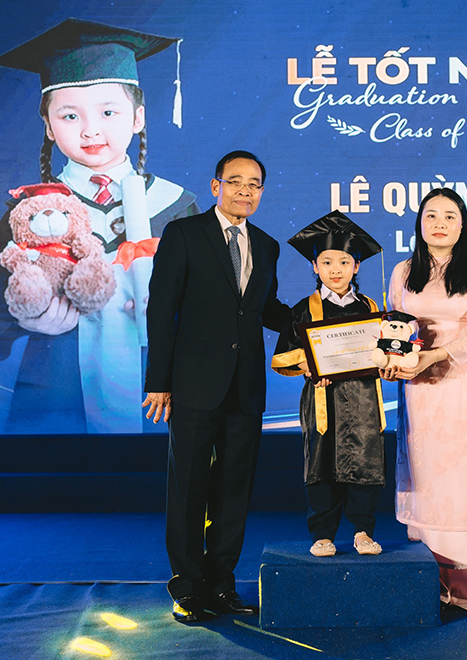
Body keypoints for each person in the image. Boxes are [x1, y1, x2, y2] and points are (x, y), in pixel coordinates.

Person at [0, 19, 200, 433]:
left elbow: (208, 292)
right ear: (48, 126)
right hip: (57, 379)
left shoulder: (176, 205)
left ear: (138, 117)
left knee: (158, 466)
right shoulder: (31, 210)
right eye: (69, 115)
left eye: (109, 112)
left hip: (158, 380)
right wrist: (27, 318)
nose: (90, 130)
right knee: (61, 467)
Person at [143, 151, 290, 621]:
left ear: (261, 191)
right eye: (236, 181)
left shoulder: (267, 245)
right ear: (216, 186)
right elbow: (161, 309)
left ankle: (221, 583)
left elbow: (265, 310)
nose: (245, 191)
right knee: (188, 486)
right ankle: (186, 587)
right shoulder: (184, 233)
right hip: (192, 384)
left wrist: (320, 319)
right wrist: (158, 381)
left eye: (254, 184)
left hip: (245, 386)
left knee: (233, 490)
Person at [386, 187, 467, 611]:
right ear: (419, 223)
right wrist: (392, 361)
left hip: (462, 385)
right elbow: (395, 327)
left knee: (464, 478)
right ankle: (433, 580)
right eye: (431, 215)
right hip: (418, 390)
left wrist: (433, 356)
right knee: (428, 477)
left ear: (462, 225)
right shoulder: (403, 271)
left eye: (450, 216)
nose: (440, 223)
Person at [271, 211, 386, 557]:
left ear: (356, 266)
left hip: (363, 399)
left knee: (364, 461)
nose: (336, 270)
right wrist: (305, 362)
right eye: (327, 262)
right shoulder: (303, 310)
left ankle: (363, 530)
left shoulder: (370, 307)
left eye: (344, 262)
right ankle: (323, 533)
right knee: (321, 463)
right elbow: (281, 358)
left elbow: (382, 351)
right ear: (315, 266)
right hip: (322, 399)